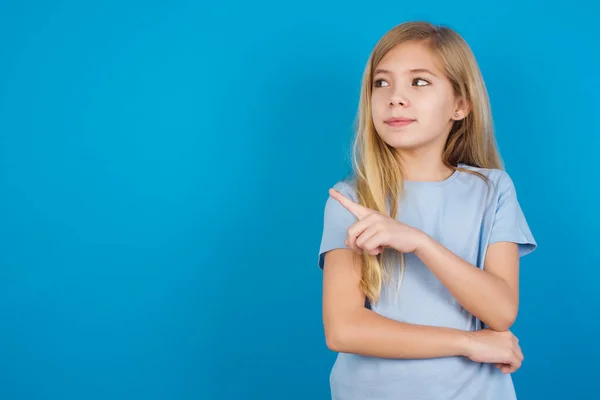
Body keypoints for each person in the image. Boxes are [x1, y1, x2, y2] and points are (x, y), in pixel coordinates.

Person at [317, 21, 537, 400]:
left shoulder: (493, 190)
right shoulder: (351, 198)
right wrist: (468, 343)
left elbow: (501, 311)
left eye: (419, 82)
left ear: (460, 104)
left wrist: (419, 242)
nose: (395, 98)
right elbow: (344, 329)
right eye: (381, 83)